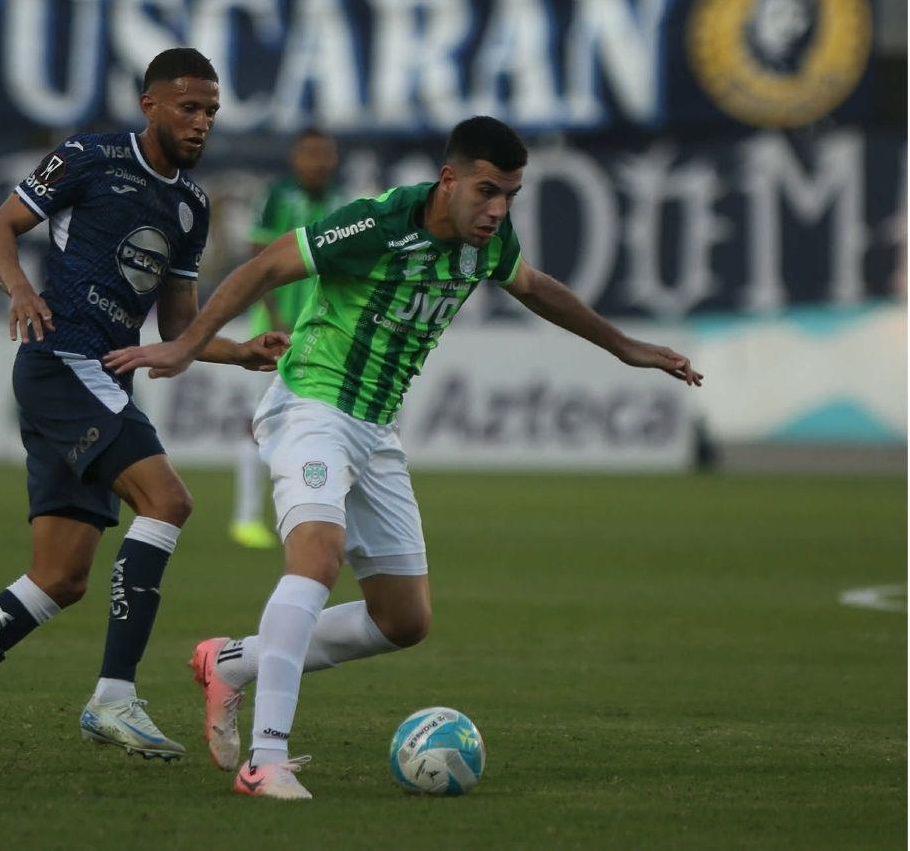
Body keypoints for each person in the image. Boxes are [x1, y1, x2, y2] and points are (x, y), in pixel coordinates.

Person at [104, 116, 703, 799]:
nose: (498, 210)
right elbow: (266, 266)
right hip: (312, 406)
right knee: (317, 558)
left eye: (510, 195)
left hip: (376, 429)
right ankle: (266, 759)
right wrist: (188, 345)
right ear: (449, 180)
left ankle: (233, 662)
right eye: (487, 191)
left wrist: (626, 347)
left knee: (403, 620)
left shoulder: (488, 243)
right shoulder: (381, 224)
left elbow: (537, 287)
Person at [0, 48, 287, 766]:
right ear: (150, 105)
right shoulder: (89, 158)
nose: (201, 122)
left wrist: (239, 350)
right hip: (61, 364)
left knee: (60, 577)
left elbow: (176, 327)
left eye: (212, 111)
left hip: (102, 378)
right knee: (169, 501)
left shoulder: (190, 205)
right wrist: (20, 290)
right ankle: (114, 698)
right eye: (189, 107)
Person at [230, 128, 342, 550]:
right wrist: (277, 319)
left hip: (322, 336)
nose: (318, 162)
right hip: (271, 332)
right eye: (310, 154)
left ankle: (312, 516)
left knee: (322, 427)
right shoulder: (277, 197)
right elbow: (258, 260)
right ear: (296, 158)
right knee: (258, 426)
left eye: (324, 154)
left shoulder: (343, 203)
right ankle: (245, 518)